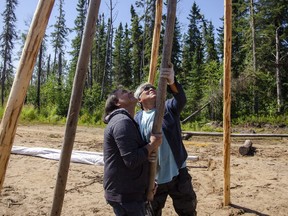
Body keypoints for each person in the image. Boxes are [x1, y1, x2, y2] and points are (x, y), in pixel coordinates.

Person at [134, 65, 197, 216]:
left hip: (177, 172)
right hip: (154, 177)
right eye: (146, 89)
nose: (151, 89)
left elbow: (180, 99)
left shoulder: (167, 107)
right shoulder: (137, 119)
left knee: (187, 209)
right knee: (152, 212)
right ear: (139, 100)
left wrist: (171, 81)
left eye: (152, 87)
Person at [103, 87, 162, 216]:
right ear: (117, 103)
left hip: (129, 191)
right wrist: (152, 144)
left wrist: (148, 184)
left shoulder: (128, 121)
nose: (129, 92)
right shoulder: (122, 122)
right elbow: (132, 159)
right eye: (124, 92)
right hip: (126, 195)